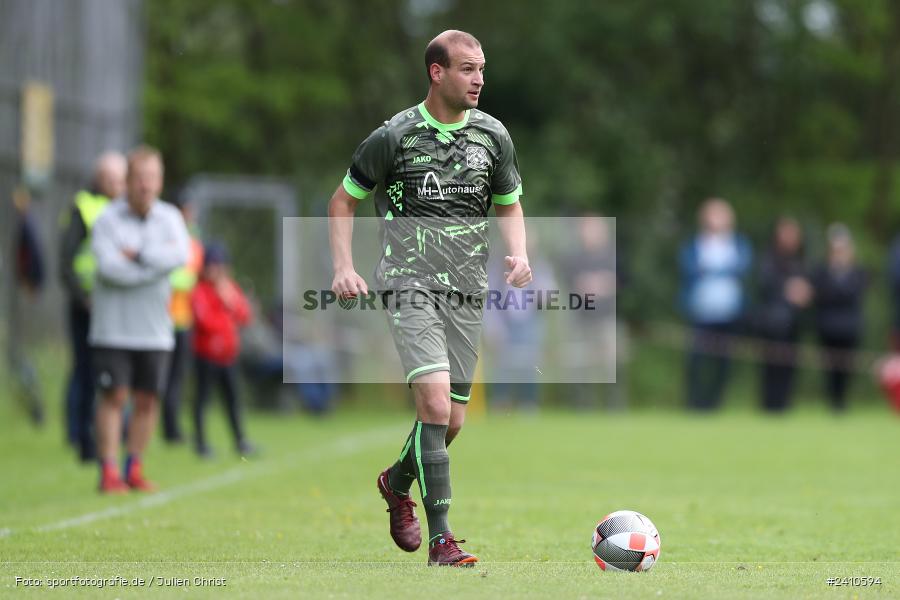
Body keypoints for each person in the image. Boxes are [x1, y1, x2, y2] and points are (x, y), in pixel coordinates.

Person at [328, 30, 531, 566]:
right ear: (436, 73)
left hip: (467, 291)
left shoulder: (493, 135)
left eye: (481, 69)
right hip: (408, 283)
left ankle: (396, 482)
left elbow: (509, 203)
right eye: (467, 69)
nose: (479, 79)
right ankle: (443, 540)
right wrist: (344, 267)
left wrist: (519, 254)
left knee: (452, 422)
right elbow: (343, 201)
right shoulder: (394, 136)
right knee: (436, 407)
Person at [89, 146, 189, 493]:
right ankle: (108, 471)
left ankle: (134, 468)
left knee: (147, 400)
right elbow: (109, 268)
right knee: (115, 397)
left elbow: (179, 256)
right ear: (128, 181)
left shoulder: (170, 218)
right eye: (140, 178)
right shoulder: (107, 219)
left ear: (160, 181)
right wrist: (152, 268)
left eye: (152, 178)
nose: (146, 185)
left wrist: (139, 256)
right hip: (113, 329)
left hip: (155, 330)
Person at [59, 151, 126, 460]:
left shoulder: (126, 209)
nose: (116, 185)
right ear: (99, 179)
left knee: (116, 373)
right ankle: (80, 435)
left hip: (117, 306)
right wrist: (82, 298)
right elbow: (66, 262)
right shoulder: (84, 207)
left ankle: (112, 434)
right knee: (85, 371)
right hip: (87, 306)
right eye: (110, 179)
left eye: (120, 180)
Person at [679, 198, 752, 411]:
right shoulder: (695, 244)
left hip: (729, 311)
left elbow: (742, 268)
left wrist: (712, 271)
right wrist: (721, 270)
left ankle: (715, 403)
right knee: (696, 359)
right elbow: (689, 269)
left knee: (724, 361)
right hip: (701, 310)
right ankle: (694, 403)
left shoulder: (738, 244)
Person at [190, 242, 255, 457]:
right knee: (203, 399)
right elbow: (205, 321)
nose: (217, 270)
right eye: (213, 265)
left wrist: (230, 300)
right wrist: (226, 315)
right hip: (207, 355)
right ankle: (201, 443)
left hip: (228, 356)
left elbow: (245, 316)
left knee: (233, 399)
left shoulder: (230, 288)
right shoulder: (200, 290)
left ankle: (240, 441)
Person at [755, 217, 812, 412]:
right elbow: (764, 285)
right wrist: (788, 291)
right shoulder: (768, 259)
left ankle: (784, 403)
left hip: (794, 322)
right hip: (772, 322)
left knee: (790, 364)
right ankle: (769, 404)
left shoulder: (801, 261)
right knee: (771, 364)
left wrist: (804, 293)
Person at [161, 194, 204, 443]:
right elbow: (180, 277)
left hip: (183, 318)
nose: (191, 215)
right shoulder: (167, 237)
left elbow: (190, 275)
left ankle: (172, 428)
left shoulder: (193, 240)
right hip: (163, 317)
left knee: (177, 377)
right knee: (158, 377)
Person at [811, 224, 867, 412]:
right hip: (828, 326)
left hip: (849, 327)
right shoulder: (822, 271)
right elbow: (821, 295)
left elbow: (852, 295)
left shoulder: (857, 272)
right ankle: (833, 401)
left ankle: (842, 401)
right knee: (830, 366)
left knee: (846, 366)